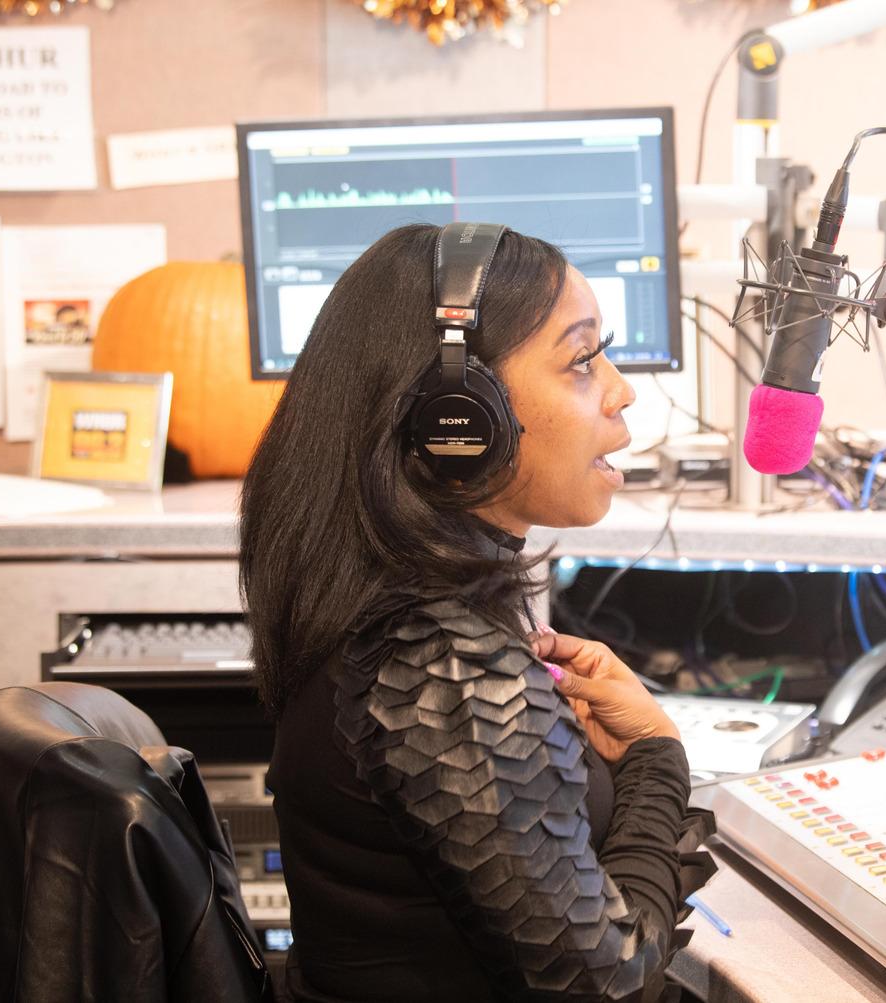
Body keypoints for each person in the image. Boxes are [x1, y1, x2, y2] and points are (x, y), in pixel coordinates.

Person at [239, 222, 714, 1002]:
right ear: (460, 414)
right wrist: (658, 757)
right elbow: (611, 980)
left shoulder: (392, 614)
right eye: (583, 359)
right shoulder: (438, 663)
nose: (621, 388)